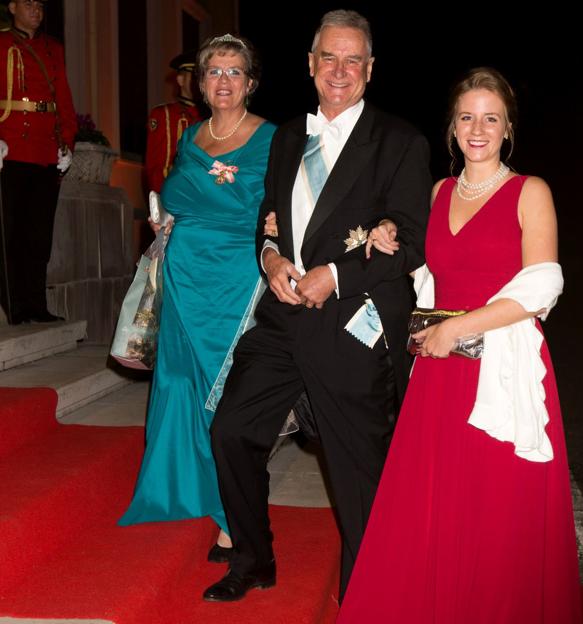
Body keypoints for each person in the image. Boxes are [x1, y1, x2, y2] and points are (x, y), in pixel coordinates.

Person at [337, 67, 582, 623]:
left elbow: (542, 284)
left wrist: (460, 327)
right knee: (440, 508)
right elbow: (432, 272)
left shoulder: (529, 191)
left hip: (501, 364)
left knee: (496, 509)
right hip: (441, 371)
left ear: (508, 129)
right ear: (451, 127)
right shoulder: (439, 191)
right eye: (467, 117)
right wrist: (392, 237)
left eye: (490, 118)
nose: (478, 129)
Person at [203, 10, 431, 603]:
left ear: (370, 69)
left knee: (358, 474)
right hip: (283, 320)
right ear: (310, 64)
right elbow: (269, 220)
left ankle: (368, 591)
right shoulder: (285, 136)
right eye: (328, 57)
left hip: (353, 325)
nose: (339, 70)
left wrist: (335, 275)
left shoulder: (401, 141)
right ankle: (253, 559)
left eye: (352, 59)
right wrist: (272, 260)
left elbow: (409, 241)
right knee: (231, 431)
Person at [118, 34, 276, 564]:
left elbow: (286, 211)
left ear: (250, 82)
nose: (224, 81)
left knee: (225, 394)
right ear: (199, 81)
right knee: (182, 385)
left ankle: (236, 516)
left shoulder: (274, 139)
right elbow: (174, 197)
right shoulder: (189, 136)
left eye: (235, 72)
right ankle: (186, 490)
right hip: (183, 278)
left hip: (235, 281)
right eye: (214, 72)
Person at [0, 0, 76, 324]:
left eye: (40, 4)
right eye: (28, 2)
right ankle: (13, 305)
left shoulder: (53, 49)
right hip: (10, 150)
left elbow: (64, 99)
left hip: (45, 151)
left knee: (38, 234)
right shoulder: (2, 43)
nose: (36, 9)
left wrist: (67, 143)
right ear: (12, 6)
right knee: (10, 233)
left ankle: (36, 303)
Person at [144, 50, 201, 193]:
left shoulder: (211, 117)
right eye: (194, 76)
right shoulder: (165, 114)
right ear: (181, 80)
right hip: (176, 199)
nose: (198, 81)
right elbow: (156, 167)